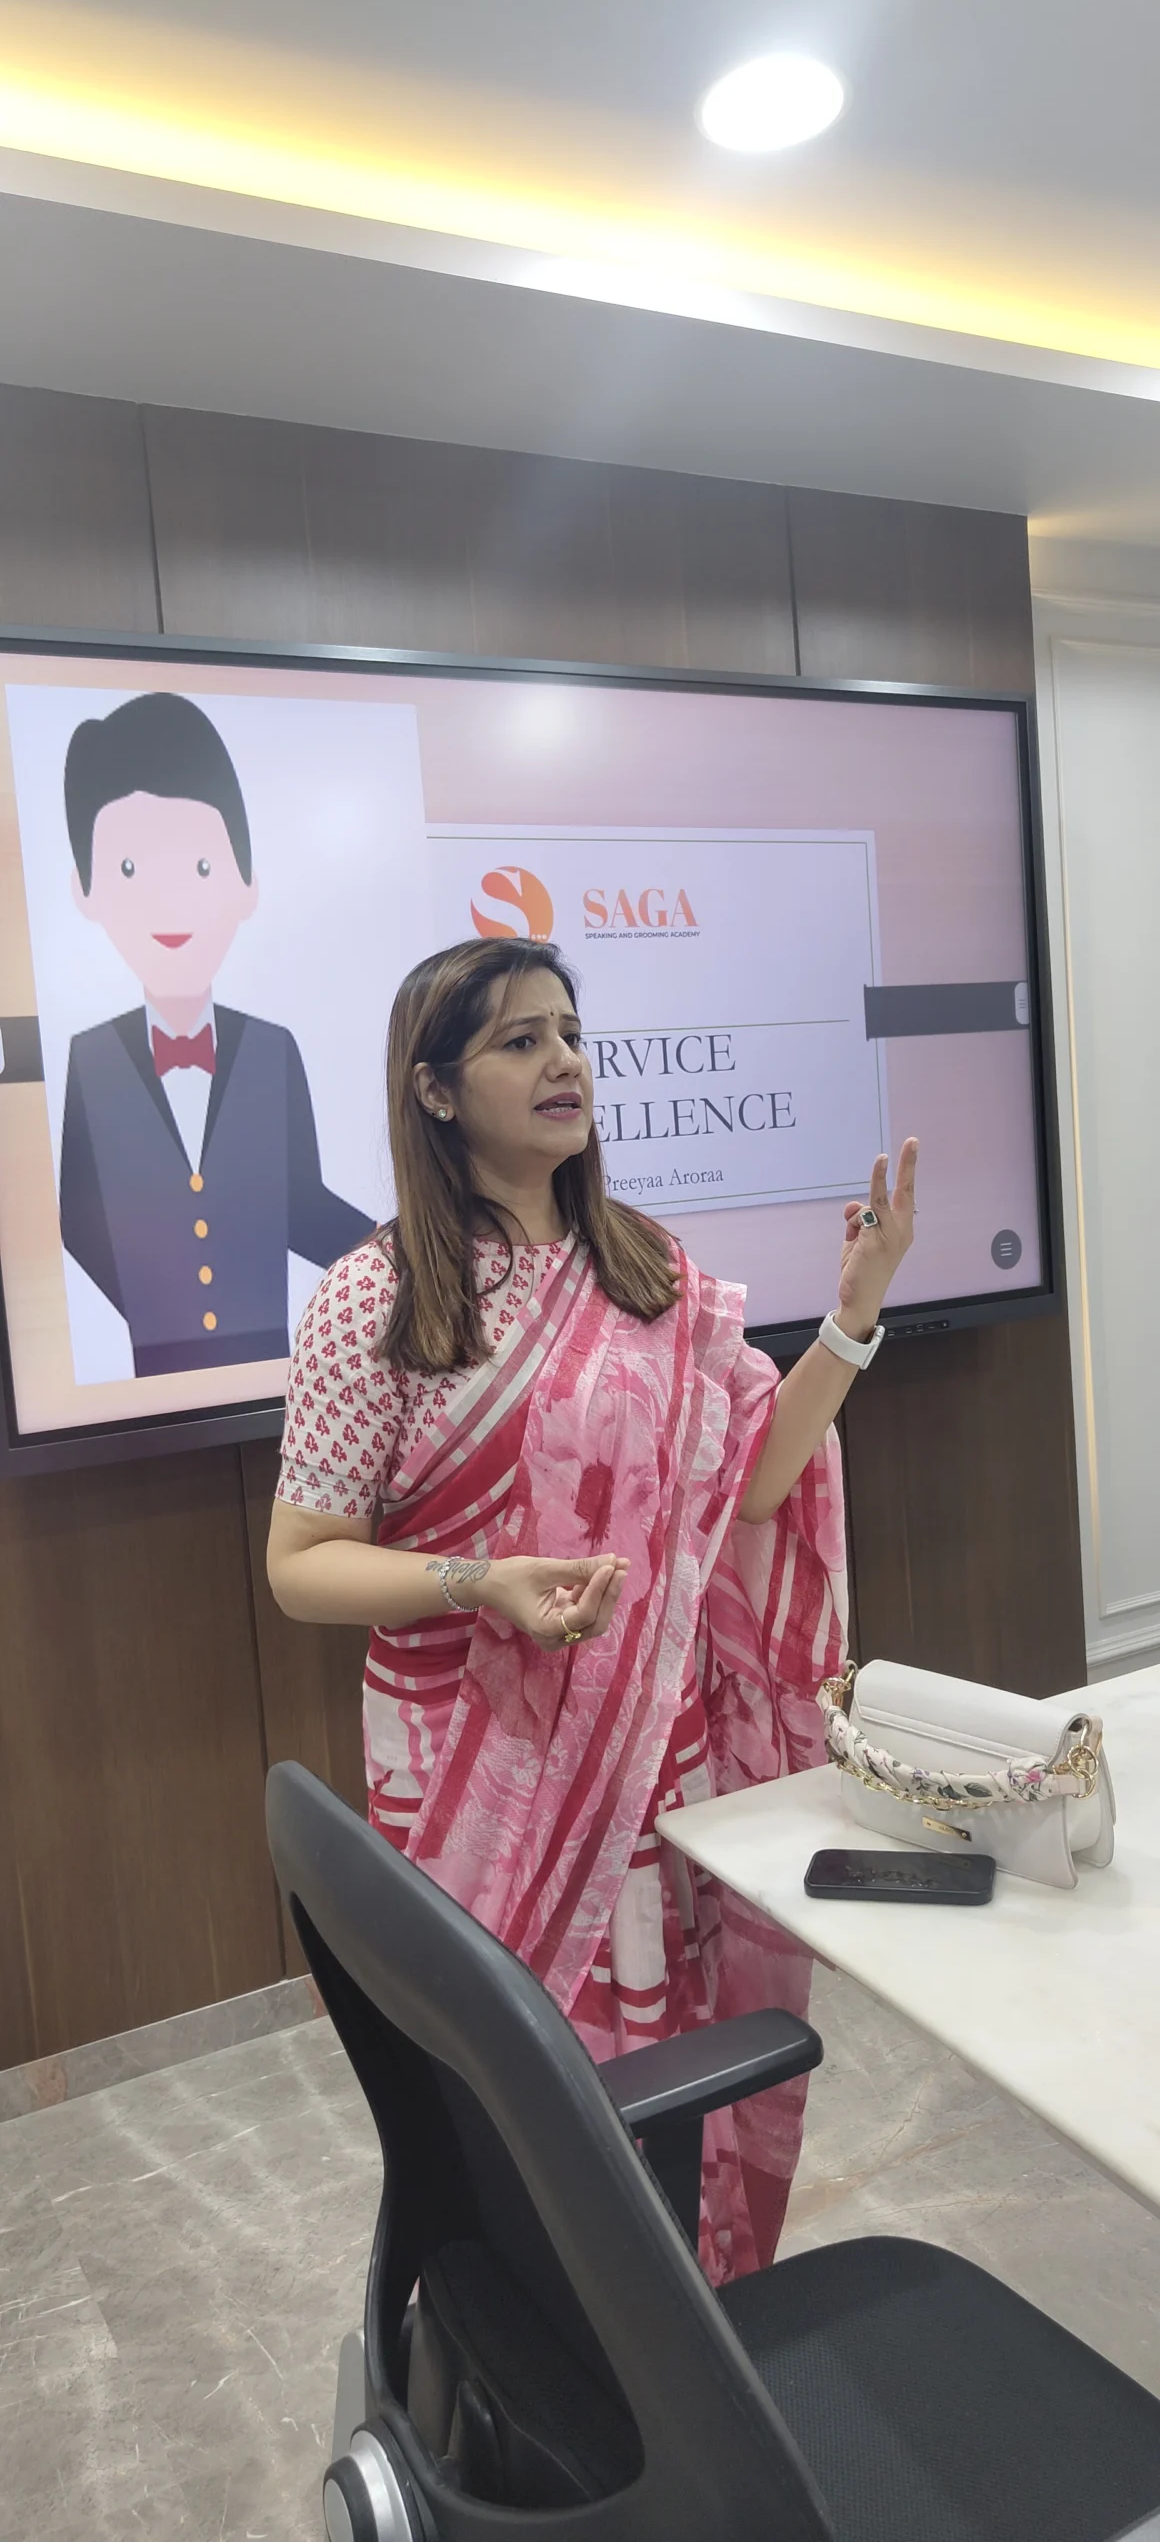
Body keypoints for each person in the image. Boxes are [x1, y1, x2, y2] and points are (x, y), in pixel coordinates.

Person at [268, 935, 917, 2282]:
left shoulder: (647, 1268)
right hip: (471, 1770)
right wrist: (476, 1582)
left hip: (643, 1765)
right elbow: (301, 1562)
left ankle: (659, 2325)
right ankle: (528, 2335)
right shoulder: (374, 1298)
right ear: (435, 1090)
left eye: (569, 1033)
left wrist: (850, 1321)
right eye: (520, 1041)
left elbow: (754, 1485)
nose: (563, 1061)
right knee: (500, 2097)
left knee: (651, 2078)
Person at [59, 691, 373, 1378]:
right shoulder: (89, 1058)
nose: (169, 902)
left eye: (201, 867)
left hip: (274, 1364)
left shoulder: (273, 1048)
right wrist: (154, 1301)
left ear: (247, 883)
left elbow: (302, 1203)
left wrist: (402, 1253)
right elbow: (75, 1222)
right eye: (130, 870)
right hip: (155, 1376)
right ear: (85, 890)